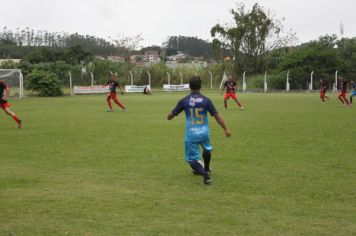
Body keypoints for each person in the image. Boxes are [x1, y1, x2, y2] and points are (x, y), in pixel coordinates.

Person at [167, 76, 231, 185]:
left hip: (192, 134)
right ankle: (206, 168)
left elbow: (171, 116)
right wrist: (226, 129)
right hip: (204, 132)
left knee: (191, 159)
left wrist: (169, 115)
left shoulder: (184, 101)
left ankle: (205, 175)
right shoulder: (206, 100)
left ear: (189, 86)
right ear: (200, 86)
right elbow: (217, 115)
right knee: (207, 149)